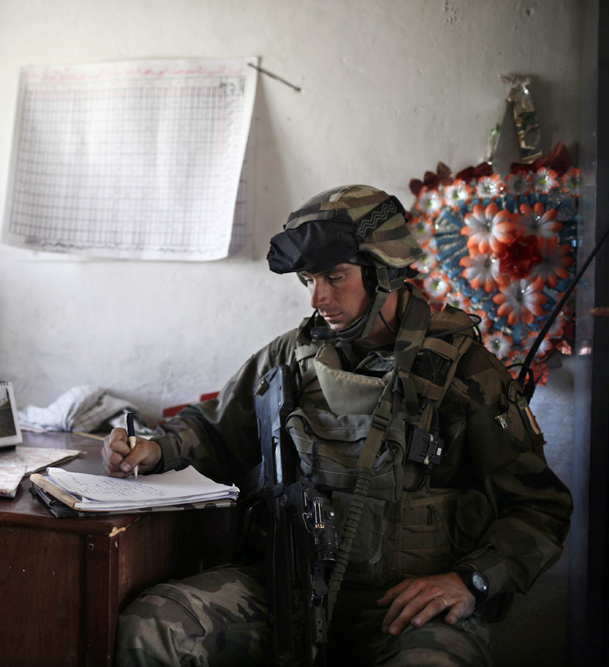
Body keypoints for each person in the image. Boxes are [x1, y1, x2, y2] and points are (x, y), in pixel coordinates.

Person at [102, 185, 573, 666]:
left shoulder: (465, 371)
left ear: (384, 272)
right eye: (309, 279)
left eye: (334, 276)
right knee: (154, 627)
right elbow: (218, 430)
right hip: (285, 587)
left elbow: (540, 509)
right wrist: (155, 448)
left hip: (405, 610)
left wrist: (470, 580)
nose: (317, 298)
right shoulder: (291, 356)